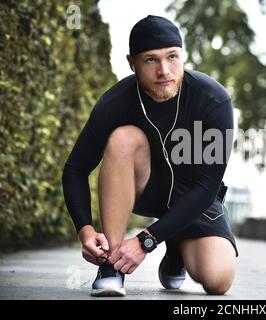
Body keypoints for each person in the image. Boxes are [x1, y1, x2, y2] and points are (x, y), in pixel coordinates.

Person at [61, 15, 238, 297]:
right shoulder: (114, 103)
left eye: (172, 57)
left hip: (194, 196)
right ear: (132, 63)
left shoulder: (213, 101)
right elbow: (75, 169)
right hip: (145, 187)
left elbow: (206, 188)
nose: (164, 70)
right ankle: (111, 265)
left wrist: (148, 240)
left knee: (218, 281)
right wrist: (85, 230)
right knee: (123, 137)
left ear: (182, 55)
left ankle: (176, 249)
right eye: (151, 60)